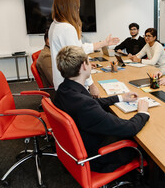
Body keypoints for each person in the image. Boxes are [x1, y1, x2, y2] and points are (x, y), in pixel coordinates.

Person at [54, 45, 150, 173]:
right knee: (146, 142)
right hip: (99, 158)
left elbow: (93, 102)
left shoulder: (64, 89)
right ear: (84, 66)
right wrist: (142, 112)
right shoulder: (85, 105)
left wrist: (120, 98)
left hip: (80, 146)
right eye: (89, 61)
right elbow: (129, 128)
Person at [49, 0, 120, 95]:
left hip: (63, 83)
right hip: (73, 84)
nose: (78, 9)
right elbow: (78, 58)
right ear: (70, 7)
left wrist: (104, 43)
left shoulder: (55, 25)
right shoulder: (67, 28)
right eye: (76, 6)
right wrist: (91, 85)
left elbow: (79, 48)